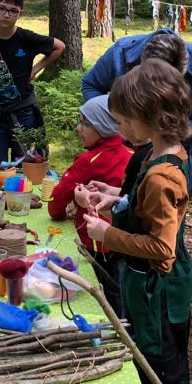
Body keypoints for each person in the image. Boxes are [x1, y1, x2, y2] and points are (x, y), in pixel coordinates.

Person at [77, 59, 192, 384]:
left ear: (150, 117)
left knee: (165, 379)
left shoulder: (164, 176)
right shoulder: (156, 155)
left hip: (158, 292)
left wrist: (106, 234)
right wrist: (116, 197)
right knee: (151, 371)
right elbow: (144, 206)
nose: (120, 127)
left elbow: (162, 249)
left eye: (125, 120)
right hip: (146, 286)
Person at [81, 29, 192, 191]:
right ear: (142, 66)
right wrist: (118, 124)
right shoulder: (120, 54)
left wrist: (163, 136)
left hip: (169, 155)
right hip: (119, 155)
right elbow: (91, 85)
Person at [46, 95, 133, 313]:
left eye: (86, 123)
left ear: (102, 126)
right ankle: (124, 324)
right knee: (122, 287)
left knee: (106, 290)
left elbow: (57, 199)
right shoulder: (131, 155)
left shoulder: (89, 161)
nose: (78, 128)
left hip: (96, 245)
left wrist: (59, 213)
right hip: (127, 239)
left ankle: (112, 324)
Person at [0, 0, 65, 167]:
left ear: (20, 14)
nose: (6, 15)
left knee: (26, 164)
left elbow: (59, 47)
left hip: (24, 113)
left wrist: (36, 69)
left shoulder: (26, 38)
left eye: (13, 11)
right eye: (2, 8)